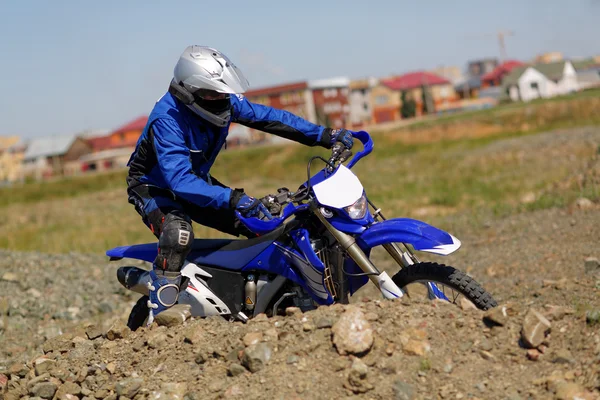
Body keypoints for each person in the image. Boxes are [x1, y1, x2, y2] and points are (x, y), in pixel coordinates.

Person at [126, 45, 355, 322]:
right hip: (154, 186)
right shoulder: (168, 119)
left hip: (194, 180)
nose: (221, 98)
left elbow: (271, 118)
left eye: (223, 92)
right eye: (213, 93)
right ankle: (163, 313)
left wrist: (324, 135)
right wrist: (234, 199)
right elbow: (178, 180)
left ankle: (271, 297)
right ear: (190, 92)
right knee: (178, 234)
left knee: (265, 222)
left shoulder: (223, 103)